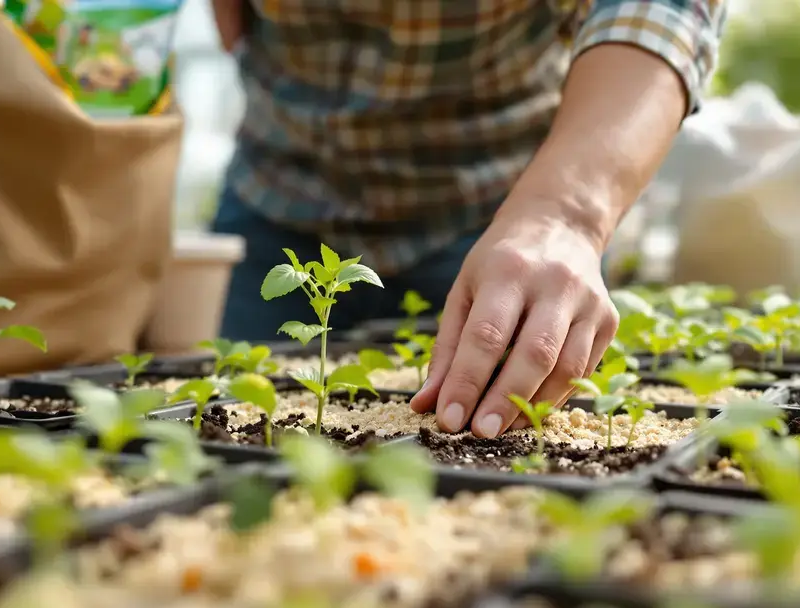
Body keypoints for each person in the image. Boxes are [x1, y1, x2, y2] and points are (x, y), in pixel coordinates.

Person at [209, 0, 725, 439]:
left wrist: (567, 216)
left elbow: (660, 10)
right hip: (278, 196)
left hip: (506, 223)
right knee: (229, 416)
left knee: (510, 416)